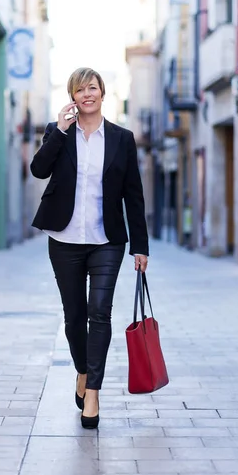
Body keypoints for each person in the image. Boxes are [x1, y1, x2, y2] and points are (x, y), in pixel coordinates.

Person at [30, 67, 149, 429]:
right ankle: (81, 370)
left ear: (102, 93)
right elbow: (38, 170)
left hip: (106, 241)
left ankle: (93, 392)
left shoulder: (121, 138)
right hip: (64, 240)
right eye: (79, 90)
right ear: (72, 97)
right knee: (74, 317)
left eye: (92, 88)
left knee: (100, 312)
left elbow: (134, 194)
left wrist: (140, 246)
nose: (87, 94)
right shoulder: (58, 133)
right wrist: (60, 130)